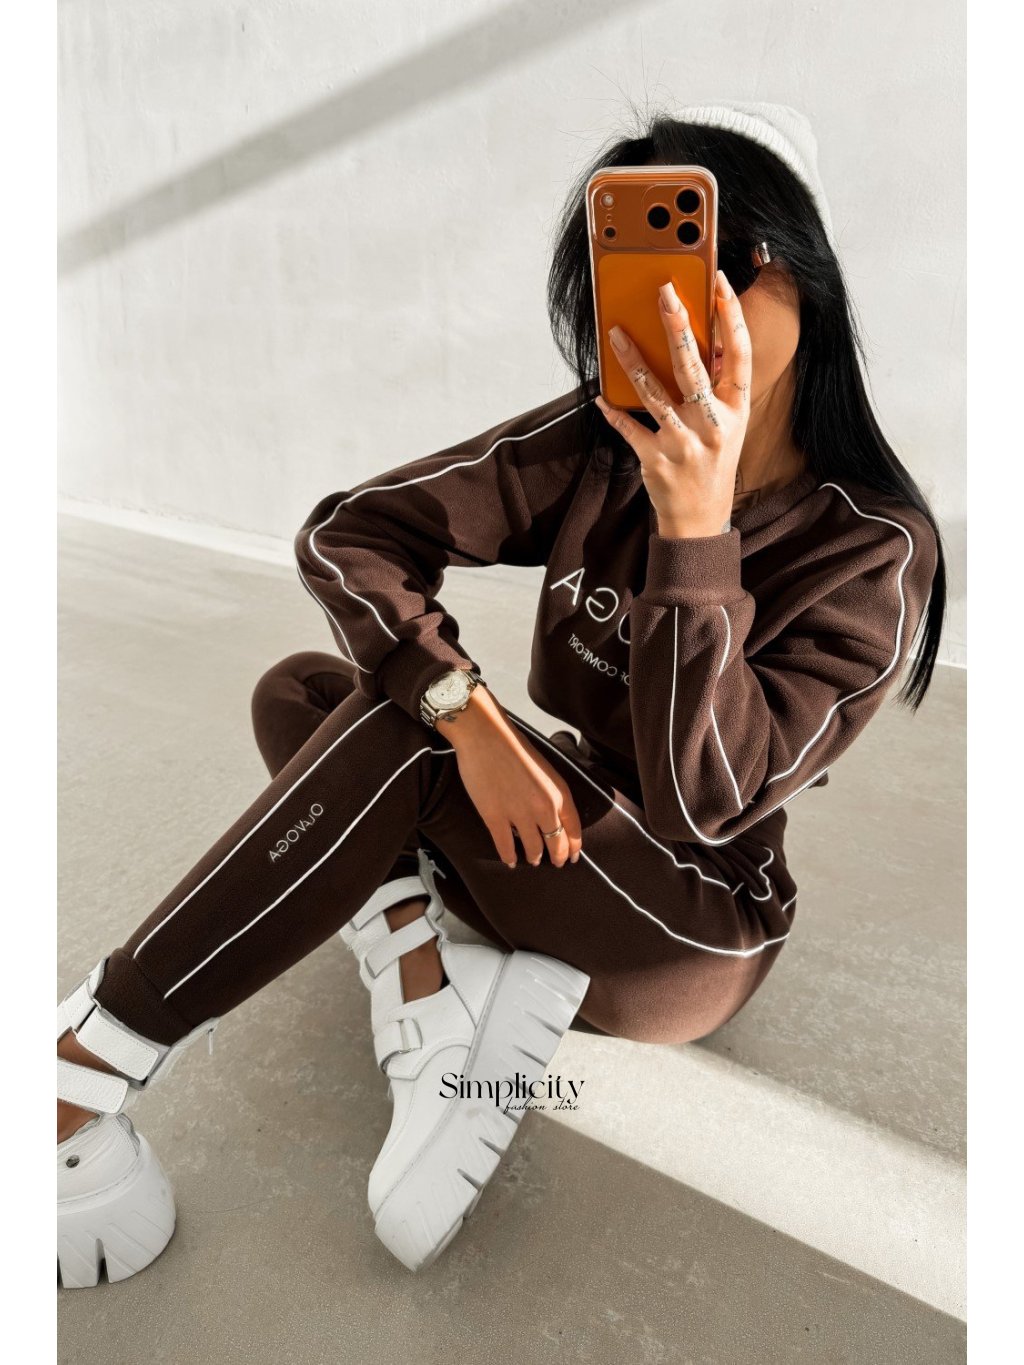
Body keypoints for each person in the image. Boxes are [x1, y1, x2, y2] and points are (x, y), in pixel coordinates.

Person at [56, 101, 946, 1285]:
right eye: (639, 276)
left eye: (720, 265)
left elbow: (705, 800)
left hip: (687, 926)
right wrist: (470, 719)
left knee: (397, 732)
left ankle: (79, 1070)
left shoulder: (872, 547)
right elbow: (349, 534)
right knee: (310, 691)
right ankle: (425, 988)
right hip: (553, 819)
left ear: (802, 279)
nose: (681, 311)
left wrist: (693, 525)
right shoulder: (603, 438)